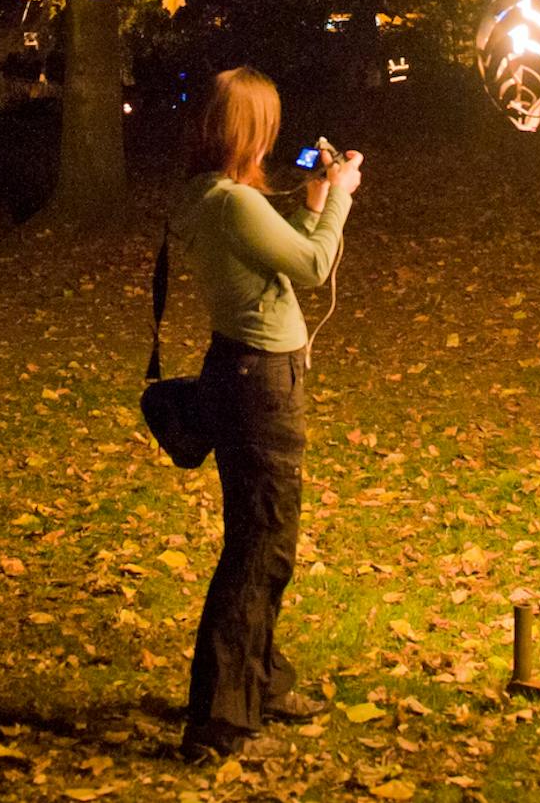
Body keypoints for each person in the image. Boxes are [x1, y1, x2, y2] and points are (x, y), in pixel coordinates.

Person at [167, 66, 360, 763]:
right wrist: (337, 199)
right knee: (259, 546)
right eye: (267, 122)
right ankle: (217, 718)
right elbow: (310, 267)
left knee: (263, 540)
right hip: (260, 386)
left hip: (238, 369)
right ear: (248, 127)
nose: (277, 135)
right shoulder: (231, 203)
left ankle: (260, 679)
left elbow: (279, 258)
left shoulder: (208, 196)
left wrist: (311, 202)